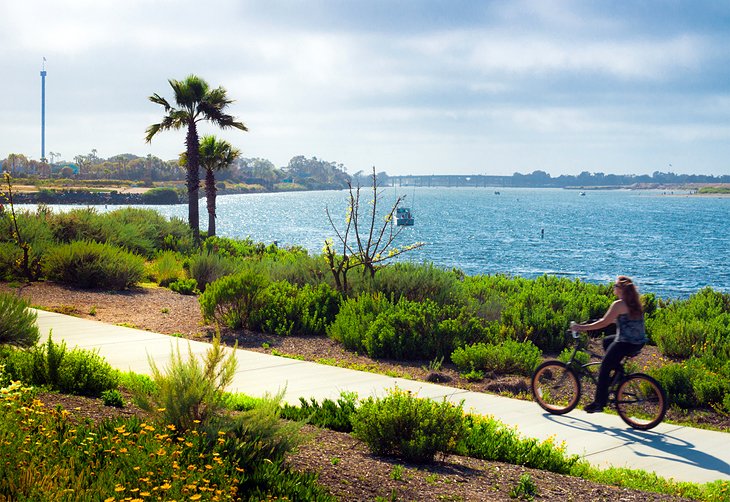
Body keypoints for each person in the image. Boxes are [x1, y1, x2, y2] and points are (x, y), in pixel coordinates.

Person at [571, 276, 647, 413]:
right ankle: (618, 373)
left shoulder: (618, 304)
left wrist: (580, 328)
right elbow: (621, 320)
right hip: (638, 342)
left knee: (604, 367)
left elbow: (603, 323)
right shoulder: (633, 302)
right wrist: (601, 320)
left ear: (621, 289)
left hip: (625, 342)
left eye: (615, 286)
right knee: (606, 341)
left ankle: (599, 403)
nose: (613, 288)